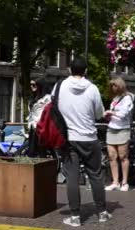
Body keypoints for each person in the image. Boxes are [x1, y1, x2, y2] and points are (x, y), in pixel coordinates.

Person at [56, 58, 111, 227]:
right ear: (85, 71)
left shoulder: (60, 86)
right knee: (95, 175)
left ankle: (74, 217)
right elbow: (98, 114)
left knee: (72, 177)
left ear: (69, 70)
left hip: (69, 139)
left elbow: (54, 108)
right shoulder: (93, 88)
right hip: (89, 138)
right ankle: (102, 213)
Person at [104, 77, 134, 192]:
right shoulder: (114, 99)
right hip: (111, 129)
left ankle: (125, 182)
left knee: (123, 157)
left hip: (122, 129)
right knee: (112, 156)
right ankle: (115, 182)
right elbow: (115, 115)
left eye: (115, 85)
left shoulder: (127, 98)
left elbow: (123, 114)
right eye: (112, 86)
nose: (113, 88)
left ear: (120, 86)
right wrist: (108, 116)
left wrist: (110, 112)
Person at [26, 78, 52, 156]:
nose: (32, 86)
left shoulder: (47, 98)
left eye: (34, 85)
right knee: (31, 151)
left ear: (40, 86)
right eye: (30, 85)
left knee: (41, 152)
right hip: (33, 127)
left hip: (41, 128)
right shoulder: (33, 97)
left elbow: (48, 112)